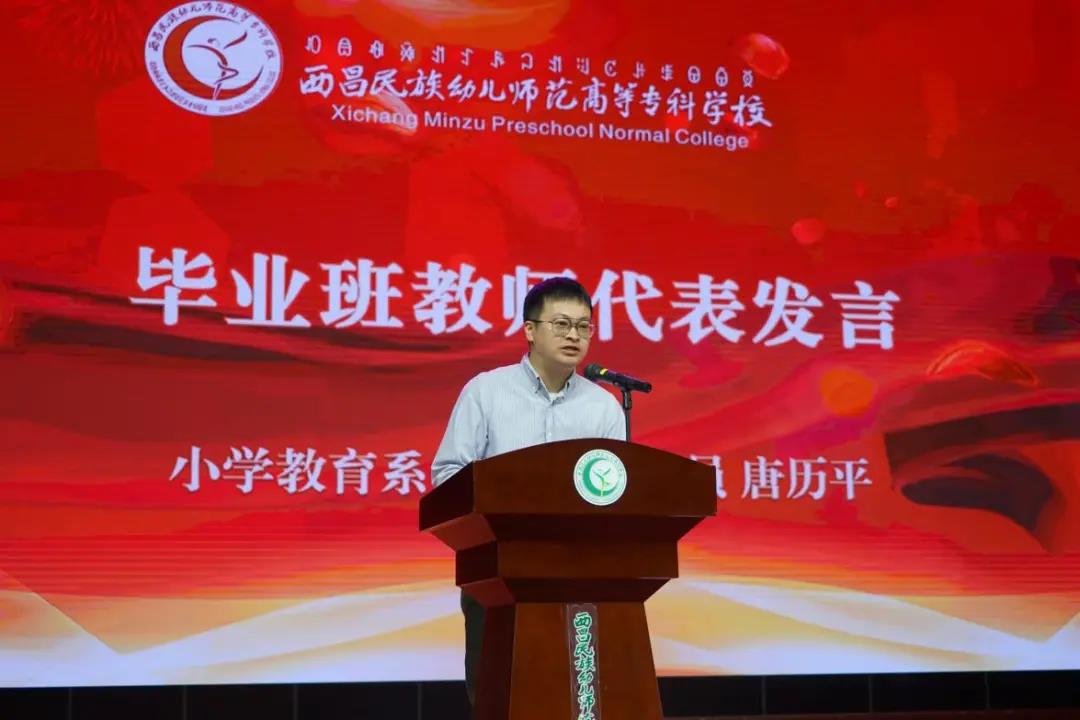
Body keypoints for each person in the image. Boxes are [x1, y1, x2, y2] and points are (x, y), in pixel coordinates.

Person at [430, 276, 626, 708]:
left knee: (573, 700)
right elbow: (448, 475)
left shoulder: (604, 406)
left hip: (577, 576)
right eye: (561, 324)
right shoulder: (486, 392)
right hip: (497, 575)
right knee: (499, 698)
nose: (574, 335)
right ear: (530, 330)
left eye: (584, 326)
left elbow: (615, 493)